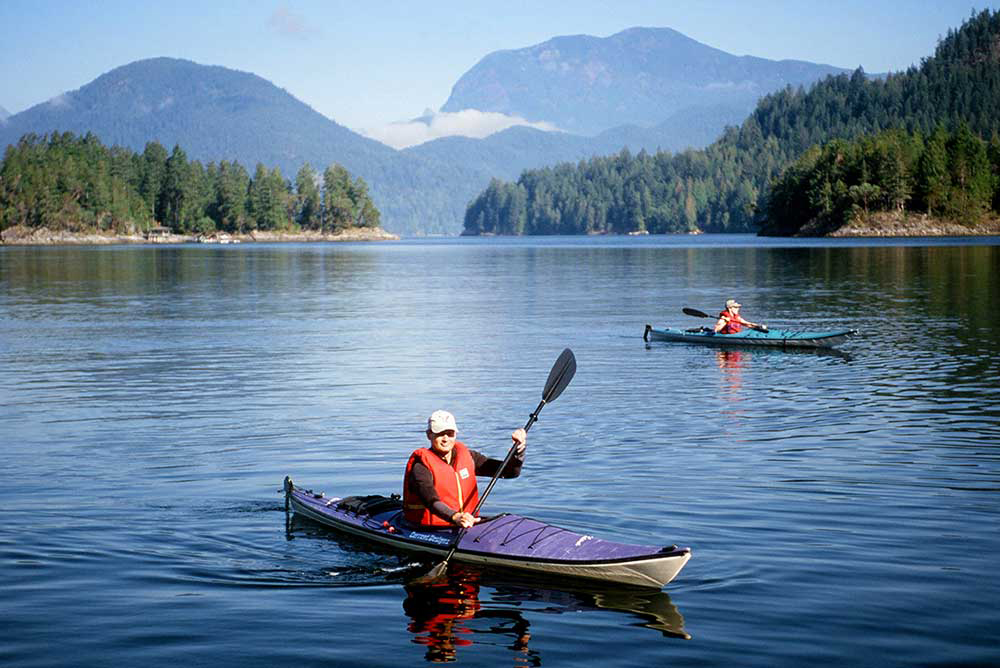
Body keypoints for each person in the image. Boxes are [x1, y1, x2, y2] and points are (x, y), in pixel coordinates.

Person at [403, 410, 527, 529]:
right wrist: (455, 517)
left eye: (450, 433)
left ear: (455, 434)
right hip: (428, 528)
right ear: (429, 435)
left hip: (467, 524)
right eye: (440, 433)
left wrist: (518, 452)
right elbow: (430, 500)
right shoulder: (420, 466)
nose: (446, 439)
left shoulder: (469, 456)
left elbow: (510, 472)